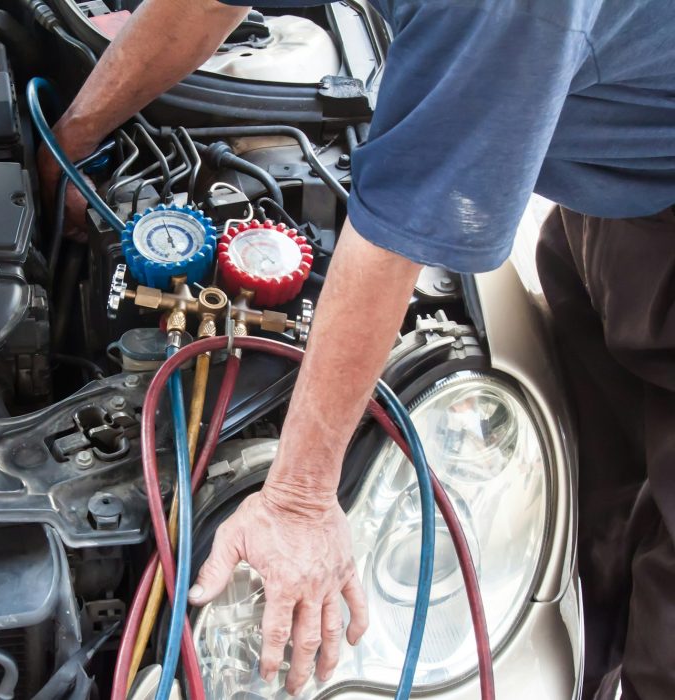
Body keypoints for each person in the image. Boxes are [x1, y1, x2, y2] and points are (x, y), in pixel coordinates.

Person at [38, 0, 675, 697]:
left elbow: (396, 239)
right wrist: (70, 141)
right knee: (603, 494)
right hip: (623, 185)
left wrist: (300, 500)